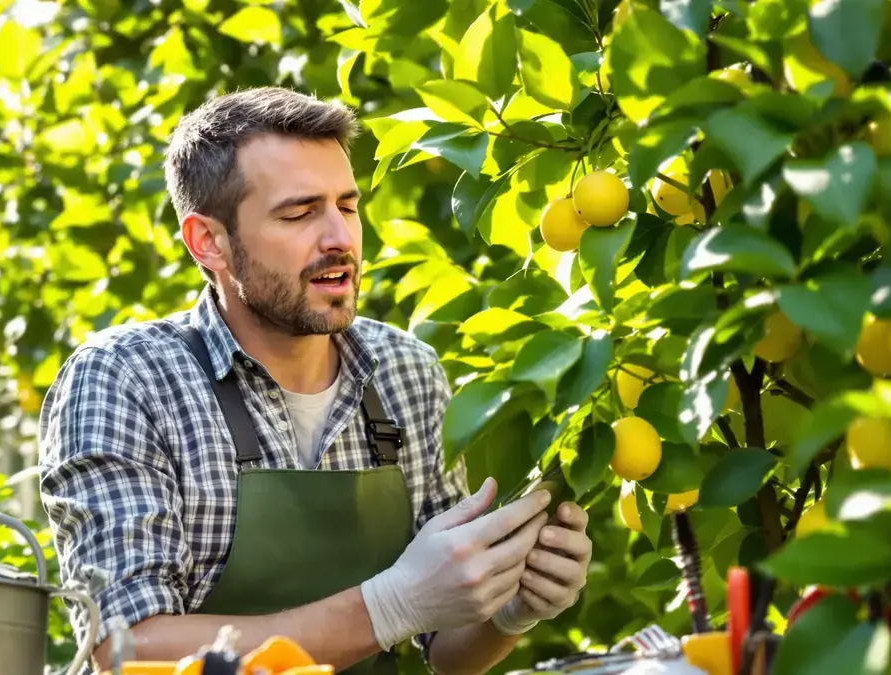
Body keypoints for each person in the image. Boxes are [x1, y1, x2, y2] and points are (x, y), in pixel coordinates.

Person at [37, 86, 592, 675]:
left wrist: (508, 610)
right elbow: (122, 649)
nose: (340, 239)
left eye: (347, 207)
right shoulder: (127, 380)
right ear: (210, 243)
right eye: (299, 213)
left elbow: (444, 649)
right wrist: (386, 606)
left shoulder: (407, 373)